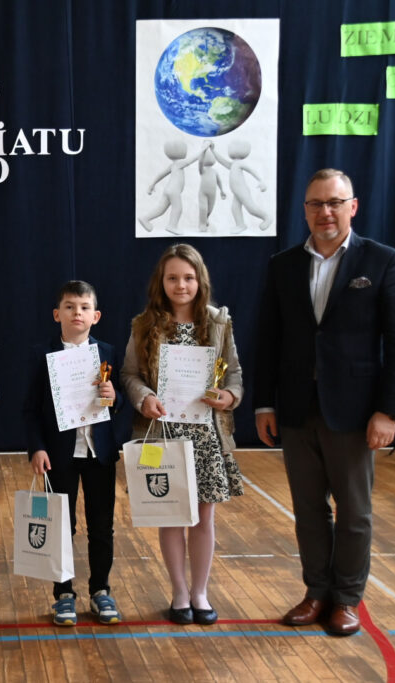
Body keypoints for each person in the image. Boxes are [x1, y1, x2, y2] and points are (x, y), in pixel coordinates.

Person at [254, 168, 395, 636]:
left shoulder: (383, 261)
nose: (325, 212)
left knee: (354, 512)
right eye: (315, 204)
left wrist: (388, 410)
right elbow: (268, 339)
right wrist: (264, 404)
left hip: (355, 412)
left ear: (353, 207)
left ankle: (346, 599)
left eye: (334, 202)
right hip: (296, 409)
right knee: (308, 510)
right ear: (304, 210)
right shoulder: (283, 264)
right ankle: (316, 592)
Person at [121, 244, 244, 626]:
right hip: (163, 434)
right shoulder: (144, 324)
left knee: (204, 518)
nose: (181, 285)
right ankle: (178, 591)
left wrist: (229, 396)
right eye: (172, 277)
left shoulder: (219, 322)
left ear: (199, 280)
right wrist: (144, 398)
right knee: (171, 515)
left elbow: (234, 374)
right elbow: (129, 375)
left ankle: (200, 592)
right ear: (161, 282)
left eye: (188, 277)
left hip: (206, 436)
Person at [22, 280, 124, 626]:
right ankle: (63, 594)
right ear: (57, 314)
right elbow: (30, 409)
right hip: (59, 454)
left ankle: (101, 590)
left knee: (102, 526)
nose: (76, 313)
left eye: (84, 308)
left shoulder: (107, 352)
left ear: (95, 316)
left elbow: (120, 402)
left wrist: (114, 396)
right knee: (61, 525)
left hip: (99, 453)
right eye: (69, 307)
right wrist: (37, 447)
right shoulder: (42, 354)